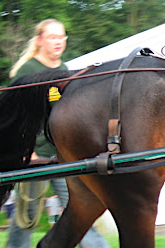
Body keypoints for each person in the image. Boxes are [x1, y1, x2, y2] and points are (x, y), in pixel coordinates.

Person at [6, 19, 110, 248]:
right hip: (34, 157)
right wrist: (26, 150)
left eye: (61, 37)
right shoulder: (28, 71)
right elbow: (16, 116)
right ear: (40, 40)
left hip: (63, 155)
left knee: (82, 208)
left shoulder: (64, 70)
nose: (58, 42)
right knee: (27, 217)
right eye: (53, 37)